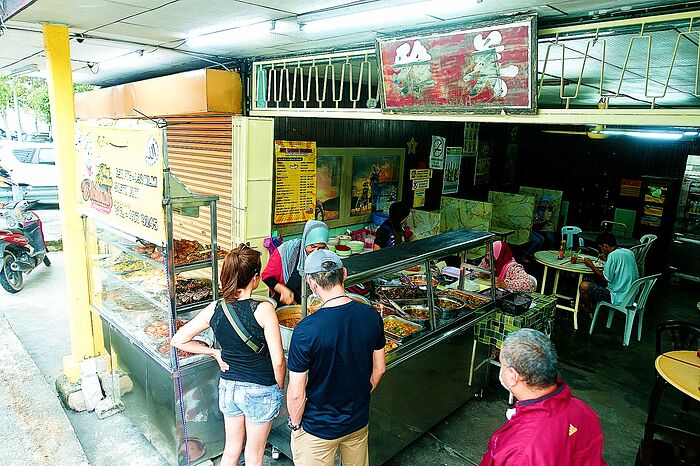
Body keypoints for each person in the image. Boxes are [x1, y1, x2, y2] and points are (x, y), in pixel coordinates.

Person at [171, 244, 286, 466]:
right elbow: (279, 361)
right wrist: (279, 388)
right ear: (255, 278)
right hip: (260, 389)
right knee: (254, 455)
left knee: (231, 451)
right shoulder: (264, 309)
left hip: (229, 389)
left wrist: (214, 352)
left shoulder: (216, 308)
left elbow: (178, 339)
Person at [286, 249, 386, 466]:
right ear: (344, 274)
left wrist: (295, 425)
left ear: (312, 283)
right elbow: (379, 369)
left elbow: (296, 393)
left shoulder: (306, 330)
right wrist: (358, 395)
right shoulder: (371, 316)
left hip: (317, 429)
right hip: (357, 422)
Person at [480, 329, 607, 466]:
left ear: (513, 376)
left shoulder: (522, 453)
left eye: (502, 365)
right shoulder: (583, 410)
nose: (501, 370)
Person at [262, 219, 329, 306]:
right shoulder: (287, 251)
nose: (315, 251)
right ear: (306, 240)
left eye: (321, 248)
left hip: (314, 305)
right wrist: (282, 290)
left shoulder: (326, 255)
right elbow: (267, 277)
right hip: (286, 304)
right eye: (312, 246)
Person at [579, 231, 639, 312]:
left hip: (618, 297)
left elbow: (606, 278)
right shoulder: (629, 252)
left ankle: (587, 308)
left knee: (584, 286)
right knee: (594, 280)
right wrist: (606, 259)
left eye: (601, 248)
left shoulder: (613, 255)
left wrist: (591, 265)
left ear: (605, 246)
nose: (601, 250)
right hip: (631, 295)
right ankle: (591, 303)